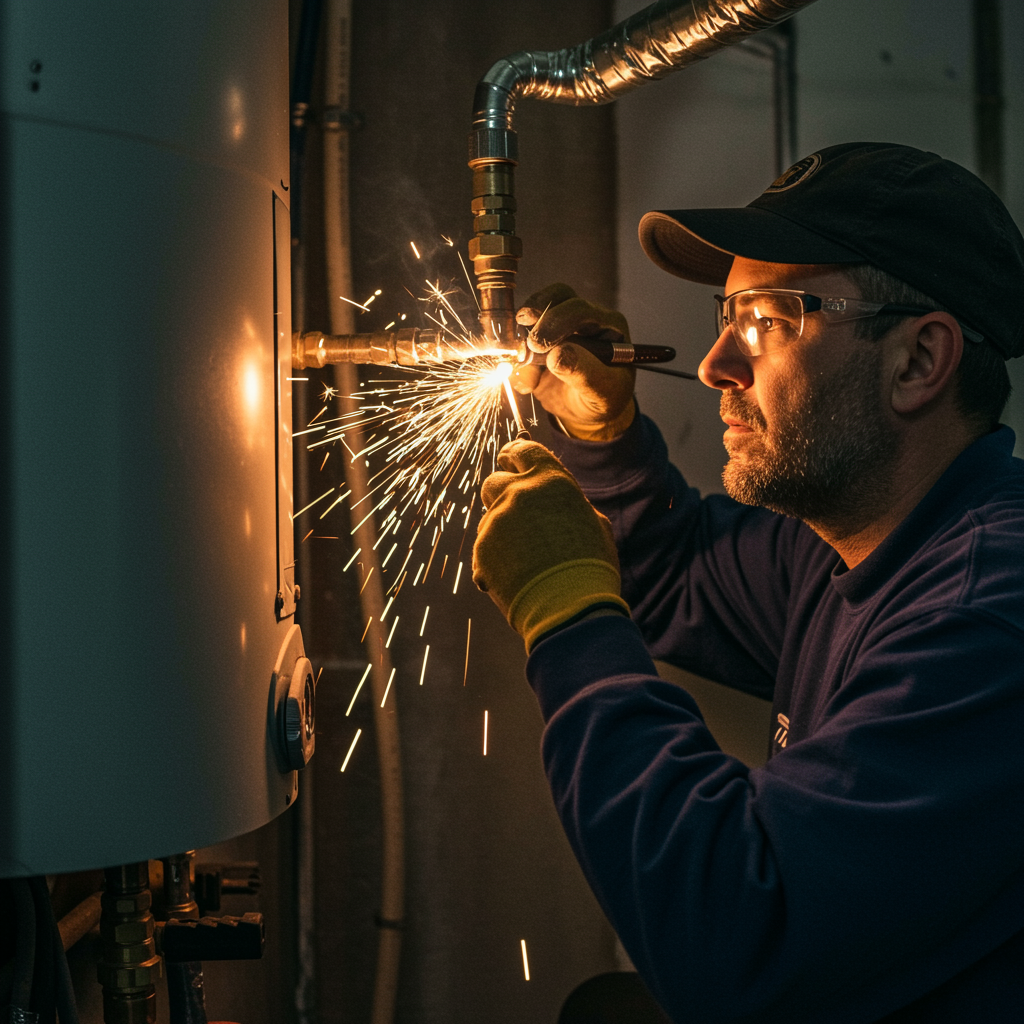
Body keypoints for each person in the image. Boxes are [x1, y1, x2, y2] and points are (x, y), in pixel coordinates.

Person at [471, 143, 1024, 1023]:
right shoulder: (853, 540)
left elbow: (738, 935)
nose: (714, 363)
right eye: (728, 312)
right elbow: (678, 574)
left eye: (770, 318)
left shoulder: (985, 621)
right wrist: (606, 436)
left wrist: (570, 619)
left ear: (918, 362)